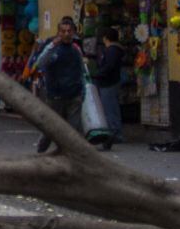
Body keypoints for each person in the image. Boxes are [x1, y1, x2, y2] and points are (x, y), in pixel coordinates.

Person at [30, 17, 87, 153]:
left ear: (73, 32)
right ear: (58, 32)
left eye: (69, 31)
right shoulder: (52, 47)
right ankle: (43, 145)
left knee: (73, 127)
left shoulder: (75, 49)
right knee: (52, 126)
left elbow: (81, 70)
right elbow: (39, 63)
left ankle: (67, 152)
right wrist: (51, 46)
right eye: (63, 31)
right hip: (55, 94)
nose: (67, 34)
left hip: (74, 93)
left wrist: (83, 91)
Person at [92, 27, 127, 147]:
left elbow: (109, 66)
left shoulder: (112, 50)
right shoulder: (116, 50)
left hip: (108, 82)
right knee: (111, 108)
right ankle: (114, 132)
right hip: (111, 81)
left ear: (105, 38)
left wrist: (98, 74)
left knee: (110, 109)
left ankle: (115, 133)